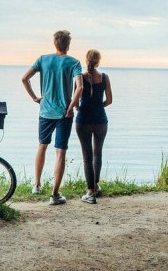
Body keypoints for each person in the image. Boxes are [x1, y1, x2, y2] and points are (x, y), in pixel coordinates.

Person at [21, 30, 82, 205]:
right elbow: (80, 87)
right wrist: (71, 106)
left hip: (45, 111)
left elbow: (24, 79)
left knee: (42, 146)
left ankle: (36, 184)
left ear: (55, 43)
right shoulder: (74, 63)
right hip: (64, 113)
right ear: (68, 44)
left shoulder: (43, 59)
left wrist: (35, 98)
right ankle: (54, 195)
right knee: (60, 152)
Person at [67, 48, 112, 204]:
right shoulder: (104, 77)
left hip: (83, 121)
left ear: (86, 60)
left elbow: (75, 100)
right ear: (98, 61)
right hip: (101, 121)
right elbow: (109, 100)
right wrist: (98, 106)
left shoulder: (80, 78)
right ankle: (96, 186)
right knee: (97, 154)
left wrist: (79, 108)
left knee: (87, 158)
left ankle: (90, 192)